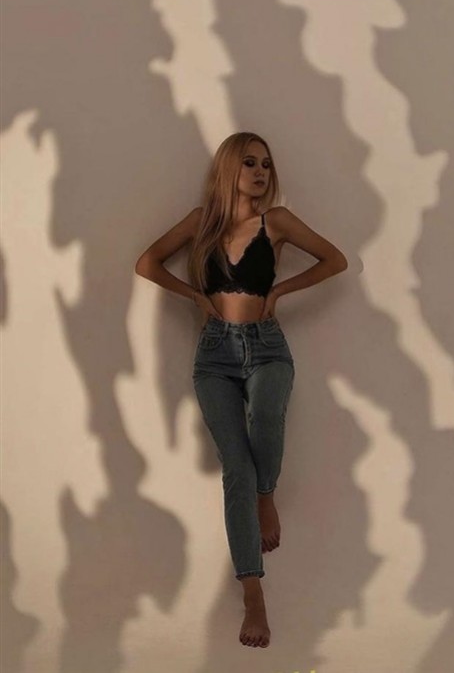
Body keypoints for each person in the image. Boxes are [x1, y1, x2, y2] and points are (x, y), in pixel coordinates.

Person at [135, 131, 348, 648]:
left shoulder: (277, 222)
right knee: (236, 467)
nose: (260, 173)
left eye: (266, 165)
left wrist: (280, 290)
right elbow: (147, 262)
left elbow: (334, 260)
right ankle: (253, 593)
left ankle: (265, 495)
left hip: (267, 346)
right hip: (214, 355)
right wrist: (195, 296)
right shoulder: (201, 221)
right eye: (250, 163)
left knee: (268, 419)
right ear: (230, 167)